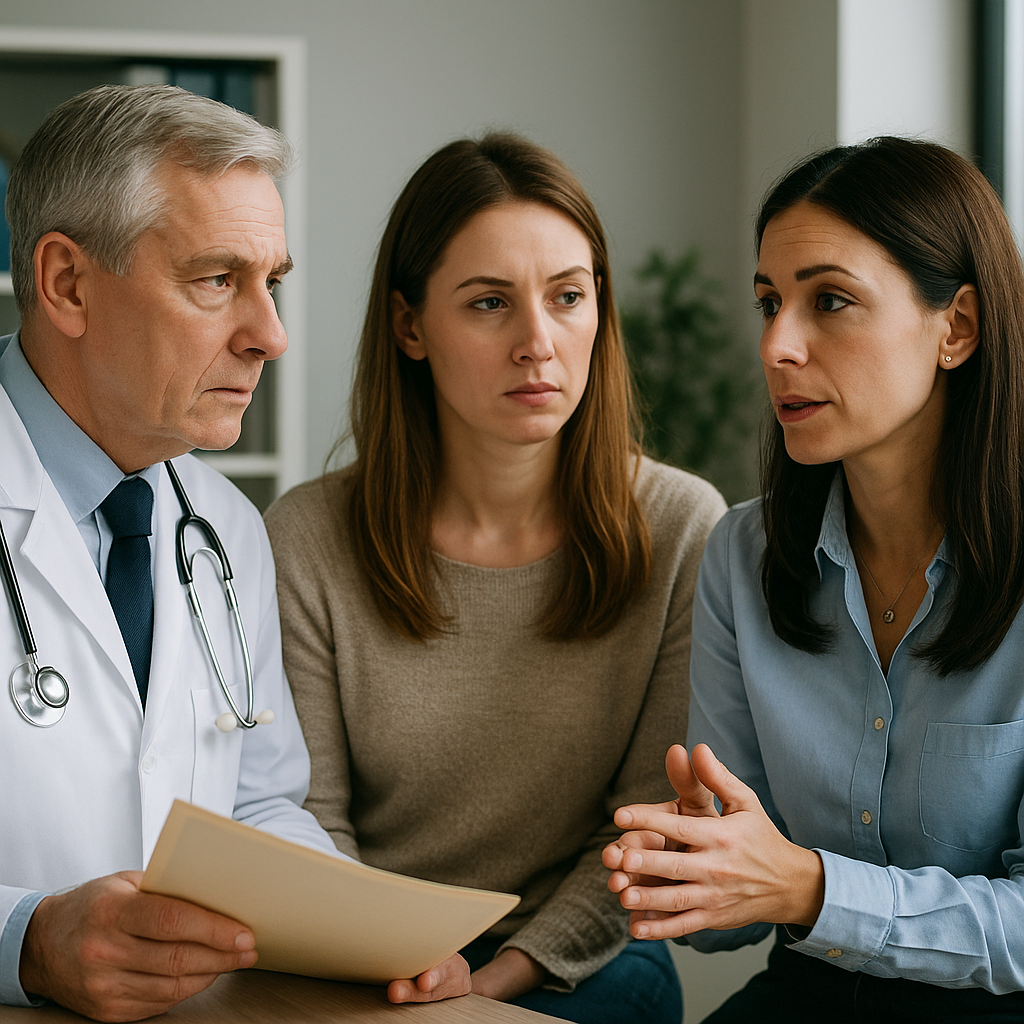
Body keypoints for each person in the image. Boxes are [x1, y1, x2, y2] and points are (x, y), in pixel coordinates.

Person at [0, 83, 467, 1021]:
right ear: (66, 284)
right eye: (218, 280)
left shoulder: (224, 528)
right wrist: (29, 941)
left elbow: (257, 806)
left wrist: (366, 932)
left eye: (273, 282)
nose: (272, 335)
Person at [264, 132, 726, 1024]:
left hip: (577, 961)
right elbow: (308, 818)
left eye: (567, 297)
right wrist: (399, 961)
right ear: (409, 327)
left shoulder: (681, 528)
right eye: (488, 304)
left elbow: (642, 829)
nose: (537, 343)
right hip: (361, 949)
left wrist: (493, 980)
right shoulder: (308, 537)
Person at [602, 136, 1024, 1023]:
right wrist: (698, 868)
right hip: (814, 998)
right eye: (769, 302)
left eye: (830, 301)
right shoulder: (742, 556)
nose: (778, 346)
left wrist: (808, 886)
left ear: (957, 328)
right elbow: (726, 930)